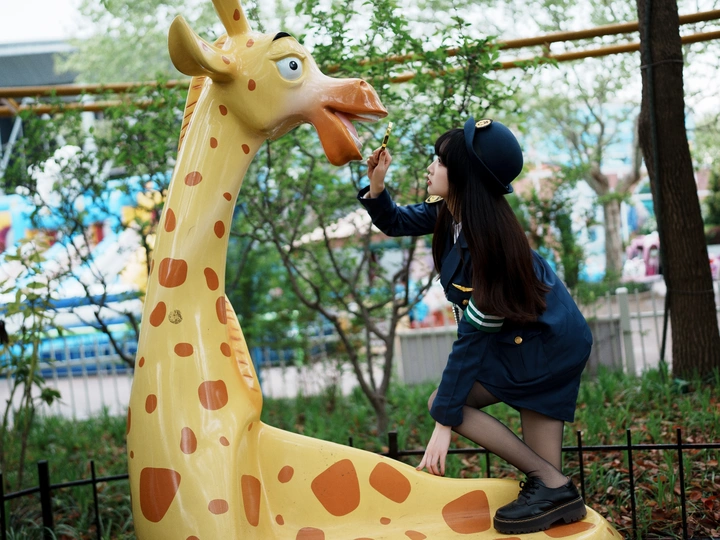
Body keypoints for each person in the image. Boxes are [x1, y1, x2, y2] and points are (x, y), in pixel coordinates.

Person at [357, 117, 593, 534]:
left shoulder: (490, 247)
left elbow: (471, 342)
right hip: (530, 340)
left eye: (440, 161)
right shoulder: (452, 213)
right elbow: (394, 222)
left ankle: (555, 488)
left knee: (444, 402)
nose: (430, 167)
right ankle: (556, 493)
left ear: (465, 176)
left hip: (544, 349)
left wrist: (443, 424)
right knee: (546, 479)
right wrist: (377, 185)